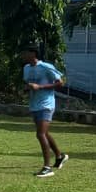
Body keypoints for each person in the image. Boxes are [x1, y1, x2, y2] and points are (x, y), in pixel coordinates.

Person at [22, 45, 69, 177]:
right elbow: (28, 84)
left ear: (33, 53)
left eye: (26, 52)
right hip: (34, 105)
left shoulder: (46, 67)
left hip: (46, 104)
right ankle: (59, 156)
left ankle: (47, 168)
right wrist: (27, 88)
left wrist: (40, 87)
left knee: (40, 134)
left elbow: (60, 83)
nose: (23, 55)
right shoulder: (26, 68)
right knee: (45, 133)